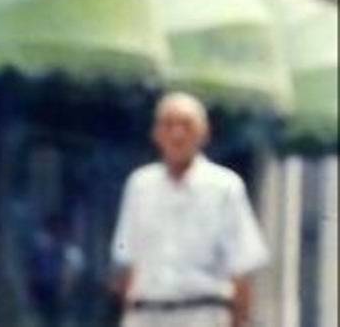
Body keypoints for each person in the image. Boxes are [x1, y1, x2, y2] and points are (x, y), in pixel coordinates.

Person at [110, 92, 268, 327]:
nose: (177, 134)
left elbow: (242, 267)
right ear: (156, 133)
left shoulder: (225, 186)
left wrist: (239, 322)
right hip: (146, 314)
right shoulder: (140, 185)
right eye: (169, 124)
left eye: (187, 125)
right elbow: (127, 260)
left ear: (204, 133)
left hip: (204, 314)